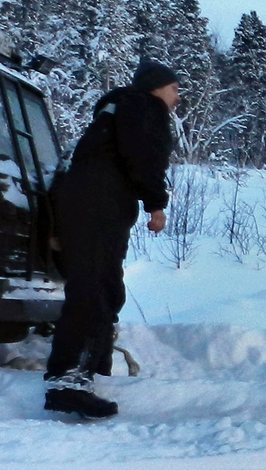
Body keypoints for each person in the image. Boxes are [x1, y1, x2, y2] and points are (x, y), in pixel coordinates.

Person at [42, 61, 178, 418]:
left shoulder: (110, 116)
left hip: (83, 204)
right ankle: (67, 381)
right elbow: (146, 157)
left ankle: (93, 369)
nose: (177, 97)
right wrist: (156, 204)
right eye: (174, 88)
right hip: (97, 206)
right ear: (155, 87)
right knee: (94, 290)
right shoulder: (142, 107)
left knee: (103, 287)